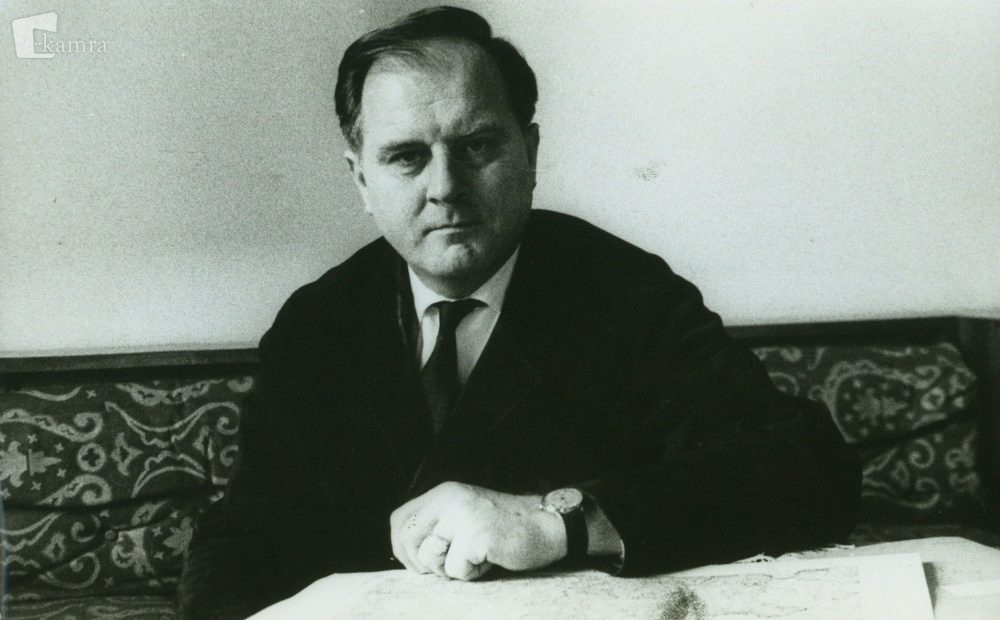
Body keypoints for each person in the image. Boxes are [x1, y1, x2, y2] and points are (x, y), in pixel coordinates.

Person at [178, 6, 860, 618]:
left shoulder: (625, 292)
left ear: (530, 153)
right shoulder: (318, 325)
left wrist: (555, 524)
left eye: (477, 146)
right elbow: (247, 534)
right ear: (361, 179)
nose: (446, 187)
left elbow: (806, 471)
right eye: (407, 157)